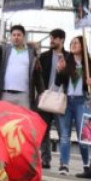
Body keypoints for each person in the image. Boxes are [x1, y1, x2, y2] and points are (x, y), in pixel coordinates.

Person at [55, 35, 91, 177]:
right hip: (67, 101)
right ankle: (64, 164)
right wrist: (59, 71)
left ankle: (86, 164)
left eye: (77, 43)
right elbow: (58, 82)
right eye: (72, 43)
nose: (73, 45)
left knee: (84, 135)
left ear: (83, 45)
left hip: (82, 101)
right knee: (65, 134)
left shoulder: (89, 64)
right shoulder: (66, 61)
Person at [37, 29, 67, 169]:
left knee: (63, 132)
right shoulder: (44, 56)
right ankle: (45, 160)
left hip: (60, 99)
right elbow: (36, 75)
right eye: (51, 38)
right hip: (45, 98)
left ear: (61, 40)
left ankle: (63, 162)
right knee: (43, 130)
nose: (51, 40)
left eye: (54, 38)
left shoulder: (69, 57)